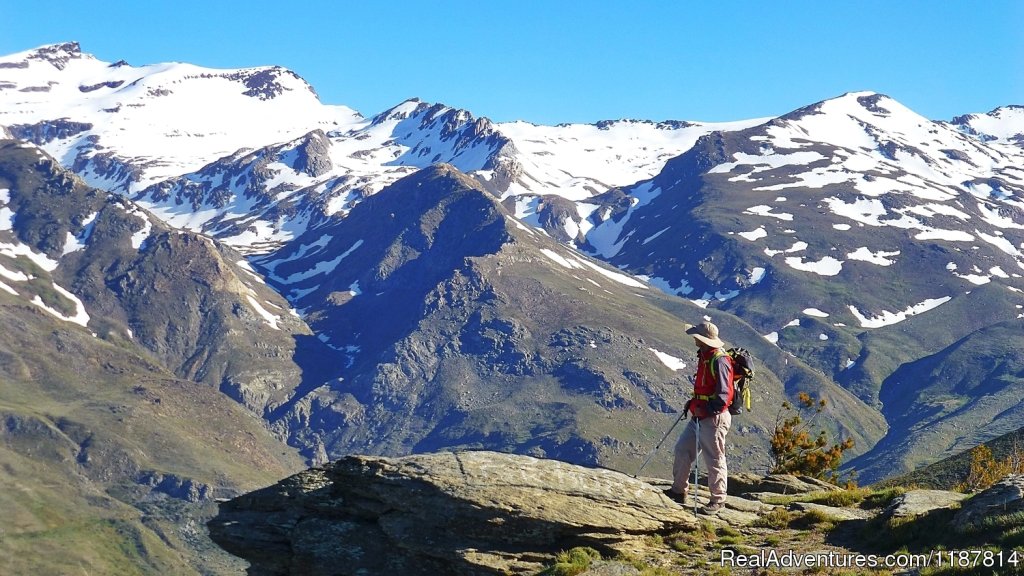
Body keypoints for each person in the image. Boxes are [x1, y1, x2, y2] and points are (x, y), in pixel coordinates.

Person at [664, 321, 734, 514]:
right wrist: (695, 403)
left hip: (714, 418)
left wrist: (706, 409)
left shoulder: (719, 360)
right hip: (700, 413)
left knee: (714, 458)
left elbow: (724, 396)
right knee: (682, 449)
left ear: (702, 339)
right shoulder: (705, 356)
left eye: (696, 336)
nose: (693, 338)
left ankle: (718, 500)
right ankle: (679, 491)